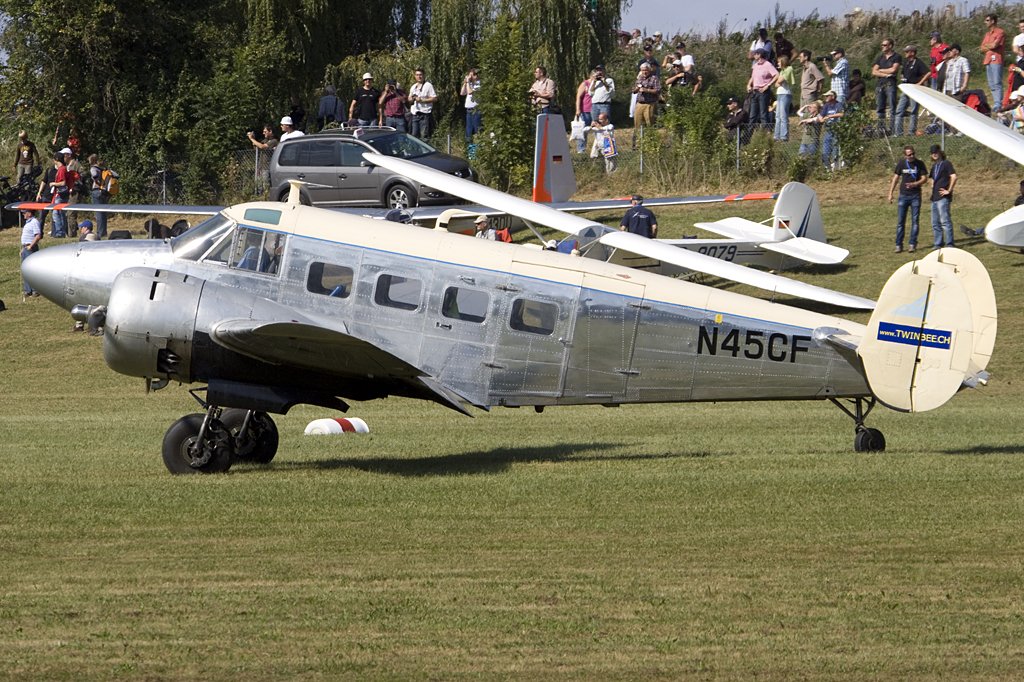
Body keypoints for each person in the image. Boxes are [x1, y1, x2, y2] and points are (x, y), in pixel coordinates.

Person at [887, 146, 928, 253]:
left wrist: (915, 184)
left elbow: (924, 178)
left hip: (915, 196)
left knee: (915, 221)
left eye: (913, 153)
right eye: (909, 155)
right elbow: (895, 178)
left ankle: (912, 244)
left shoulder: (919, 163)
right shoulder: (901, 164)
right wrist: (890, 193)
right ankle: (898, 245)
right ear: (905, 155)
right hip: (903, 196)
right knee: (901, 222)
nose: (912, 156)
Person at [894, 45, 931, 136]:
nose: (905, 53)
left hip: (914, 89)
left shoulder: (918, 62)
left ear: (912, 53)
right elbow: (903, 73)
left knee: (913, 110)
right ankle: (898, 132)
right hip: (906, 88)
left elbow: (928, 72)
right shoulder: (906, 62)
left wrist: (920, 82)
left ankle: (911, 132)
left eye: (907, 52)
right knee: (899, 110)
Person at [929, 145, 957, 249]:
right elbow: (932, 178)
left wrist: (948, 190)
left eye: (936, 152)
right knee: (935, 222)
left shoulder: (946, 164)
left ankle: (949, 243)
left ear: (940, 152)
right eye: (933, 153)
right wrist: (932, 185)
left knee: (945, 221)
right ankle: (938, 243)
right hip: (934, 198)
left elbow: (954, 177)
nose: (934, 154)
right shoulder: (934, 166)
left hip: (943, 198)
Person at [871, 38, 902, 131]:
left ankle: (892, 129)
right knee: (880, 107)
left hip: (890, 84)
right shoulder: (880, 57)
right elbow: (874, 71)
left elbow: (893, 69)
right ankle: (881, 129)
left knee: (892, 107)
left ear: (890, 46)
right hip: (880, 84)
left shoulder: (896, 56)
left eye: (884, 45)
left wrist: (880, 70)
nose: (882, 47)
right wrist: (886, 74)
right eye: (882, 45)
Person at [746, 49, 778, 131]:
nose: (754, 55)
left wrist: (768, 85)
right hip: (754, 92)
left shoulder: (768, 65)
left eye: (756, 54)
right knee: (752, 114)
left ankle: (765, 132)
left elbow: (776, 75)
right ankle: (749, 133)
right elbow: (753, 77)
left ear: (760, 54)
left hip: (763, 92)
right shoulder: (755, 65)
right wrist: (749, 85)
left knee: (763, 113)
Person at [980, 13, 1007, 111]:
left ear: (993, 21)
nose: (985, 22)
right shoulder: (987, 34)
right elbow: (981, 48)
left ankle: (998, 103)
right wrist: (989, 45)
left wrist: (988, 46)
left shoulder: (1000, 32)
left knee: (997, 82)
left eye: (987, 20)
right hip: (988, 60)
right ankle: (996, 102)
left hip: (996, 60)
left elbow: (994, 45)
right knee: (991, 83)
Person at [408, 68, 437, 139]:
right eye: (417, 75)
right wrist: (411, 99)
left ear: (424, 75)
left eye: (420, 75)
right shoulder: (413, 87)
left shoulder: (428, 85)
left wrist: (422, 100)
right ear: (415, 76)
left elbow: (434, 98)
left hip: (424, 115)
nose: (419, 77)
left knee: (424, 136)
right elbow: (409, 98)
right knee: (414, 136)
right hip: (415, 114)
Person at [819, 91, 844, 171]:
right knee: (825, 147)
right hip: (828, 129)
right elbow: (821, 115)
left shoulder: (838, 104)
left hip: (836, 128)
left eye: (827, 96)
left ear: (832, 96)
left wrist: (830, 116)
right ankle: (827, 165)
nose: (826, 97)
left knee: (835, 146)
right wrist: (821, 119)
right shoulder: (826, 105)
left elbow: (842, 114)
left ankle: (835, 164)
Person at [773, 55, 795, 141]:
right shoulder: (782, 71)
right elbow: (776, 84)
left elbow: (779, 81)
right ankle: (776, 135)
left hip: (785, 94)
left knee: (783, 115)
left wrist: (779, 82)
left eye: (779, 62)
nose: (778, 63)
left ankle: (784, 136)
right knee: (777, 116)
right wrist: (778, 82)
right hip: (779, 94)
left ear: (783, 61)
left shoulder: (789, 69)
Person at [20, 208, 42, 297]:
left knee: (31, 270)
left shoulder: (34, 222)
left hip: (30, 248)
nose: (23, 214)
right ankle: (27, 290)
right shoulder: (28, 223)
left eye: (24, 213)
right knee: (25, 270)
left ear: (29, 213)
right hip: (26, 248)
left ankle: (35, 290)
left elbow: (38, 235)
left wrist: (31, 246)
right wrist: (23, 249)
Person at [87, 154, 109, 239]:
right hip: (104, 191)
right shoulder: (102, 168)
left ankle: (100, 233)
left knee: (98, 213)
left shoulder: (93, 168)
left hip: (97, 190)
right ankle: (104, 231)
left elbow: (95, 175)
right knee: (103, 212)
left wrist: (96, 181)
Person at [632, 62, 660, 128]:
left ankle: (650, 134)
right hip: (639, 104)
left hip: (649, 104)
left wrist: (646, 90)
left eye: (646, 70)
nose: (644, 72)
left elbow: (657, 90)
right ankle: (638, 134)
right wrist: (636, 89)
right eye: (642, 70)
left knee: (649, 123)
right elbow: (634, 91)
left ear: (649, 70)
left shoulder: (654, 78)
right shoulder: (639, 78)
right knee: (637, 123)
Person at [574, 71, 594, 153]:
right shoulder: (585, 84)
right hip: (585, 110)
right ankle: (581, 149)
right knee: (582, 131)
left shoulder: (598, 84)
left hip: (594, 110)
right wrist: (578, 109)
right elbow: (578, 96)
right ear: (591, 76)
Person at [460, 69, 481, 141]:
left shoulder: (479, 84)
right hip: (469, 110)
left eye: (473, 75)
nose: (471, 77)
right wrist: (465, 83)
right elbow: (462, 93)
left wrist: (468, 82)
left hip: (476, 110)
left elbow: (470, 92)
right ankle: (470, 146)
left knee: (477, 129)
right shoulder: (470, 84)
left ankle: (478, 145)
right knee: (469, 130)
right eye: (470, 75)